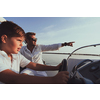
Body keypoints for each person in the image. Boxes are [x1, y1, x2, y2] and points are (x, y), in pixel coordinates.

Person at [0, 21, 69, 84]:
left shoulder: (17, 55)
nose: (21, 44)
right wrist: (53, 80)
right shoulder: (18, 51)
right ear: (4, 39)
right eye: (19, 40)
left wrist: (56, 67)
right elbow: (14, 79)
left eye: (22, 41)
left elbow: (35, 65)